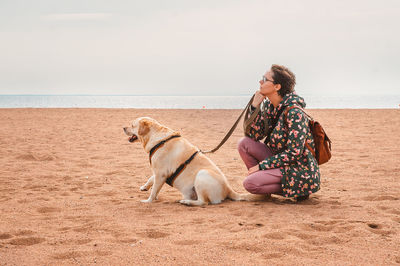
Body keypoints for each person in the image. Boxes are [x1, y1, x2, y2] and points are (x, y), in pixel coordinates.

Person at [237, 64, 320, 201]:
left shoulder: (294, 112)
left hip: (299, 170)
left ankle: (297, 190)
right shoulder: (271, 106)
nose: (260, 82)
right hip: (280, 161)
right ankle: (263, 185)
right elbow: (254, 136)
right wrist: (254, 107)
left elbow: (294, 153)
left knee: (249, 183)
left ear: (277, 87)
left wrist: (261, 166)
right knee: (244, 143)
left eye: (265, 79)